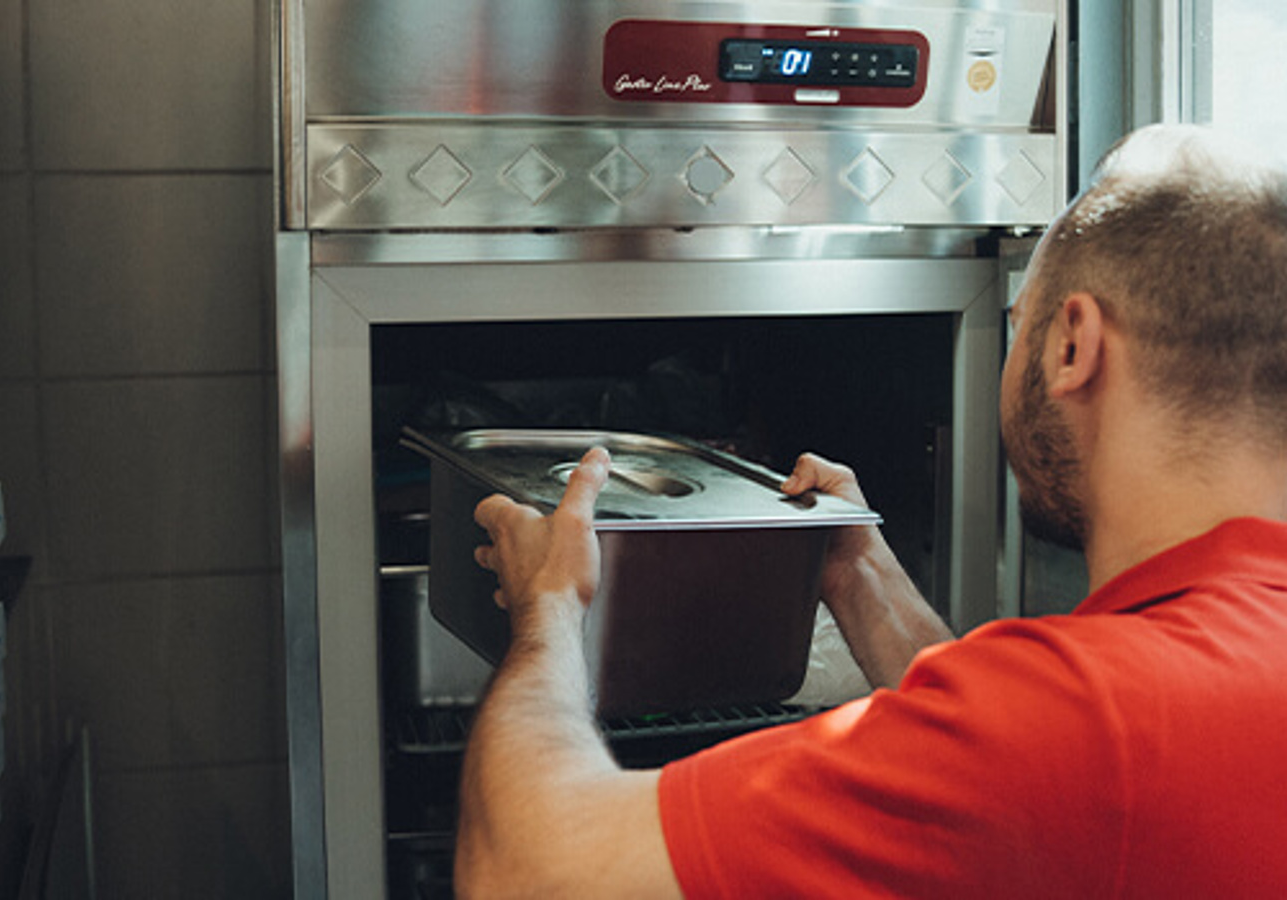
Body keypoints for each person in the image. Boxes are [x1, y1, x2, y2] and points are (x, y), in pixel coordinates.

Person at [455, 123, 1287, 899]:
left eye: (1017, 325)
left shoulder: (1088, 724)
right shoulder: (1191, 683)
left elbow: (523, 870)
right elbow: (1021, 784)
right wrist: (862, 578)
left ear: (1073, 345)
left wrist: (549, 606)